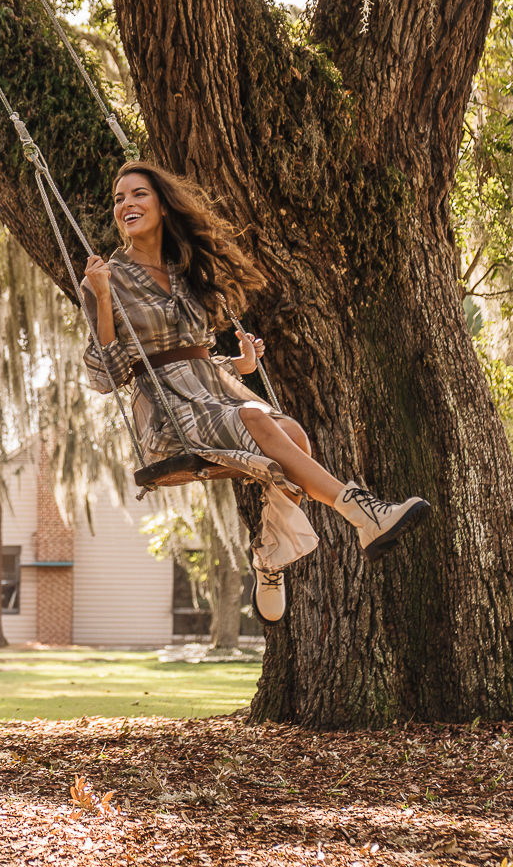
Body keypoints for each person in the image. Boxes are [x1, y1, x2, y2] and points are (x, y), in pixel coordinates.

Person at [81, 161, 429, 620]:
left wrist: (238, 365)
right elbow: (105, 377)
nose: (125, 204)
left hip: (213, 392)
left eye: (137, 194)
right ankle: (364, 512)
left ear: (162, 206)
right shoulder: (109, 277)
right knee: (255, 418)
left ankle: (270, 558)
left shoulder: (186, 269)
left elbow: (191, 355)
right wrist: (103, 298)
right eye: (118, 198)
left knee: (296, 435)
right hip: (168, 413)